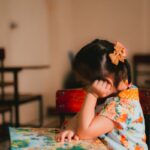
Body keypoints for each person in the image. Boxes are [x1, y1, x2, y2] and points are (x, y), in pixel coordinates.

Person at [56, 39, 148, 150]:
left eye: (85, 85)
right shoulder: (112, 95)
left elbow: (84, 132)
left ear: (107, 83)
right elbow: (78, 118)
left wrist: (92, 94)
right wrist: (70, 129)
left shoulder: (122, 106)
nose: (84, 90)